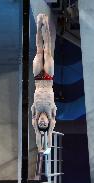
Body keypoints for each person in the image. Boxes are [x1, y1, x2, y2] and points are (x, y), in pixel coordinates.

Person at [31, 14, 57, 154]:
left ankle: (38, 25)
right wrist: (45, 146)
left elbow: (37, 131)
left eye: (39, 124)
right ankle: (45, 25)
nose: (42, 123)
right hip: (48, 78)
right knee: (47, 51)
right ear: (48, 122)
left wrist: (40, 147)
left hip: (37, 78)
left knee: (39, 51)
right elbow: (48, 134)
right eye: (44, 124)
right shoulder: (51, 112)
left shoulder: (35, 112)